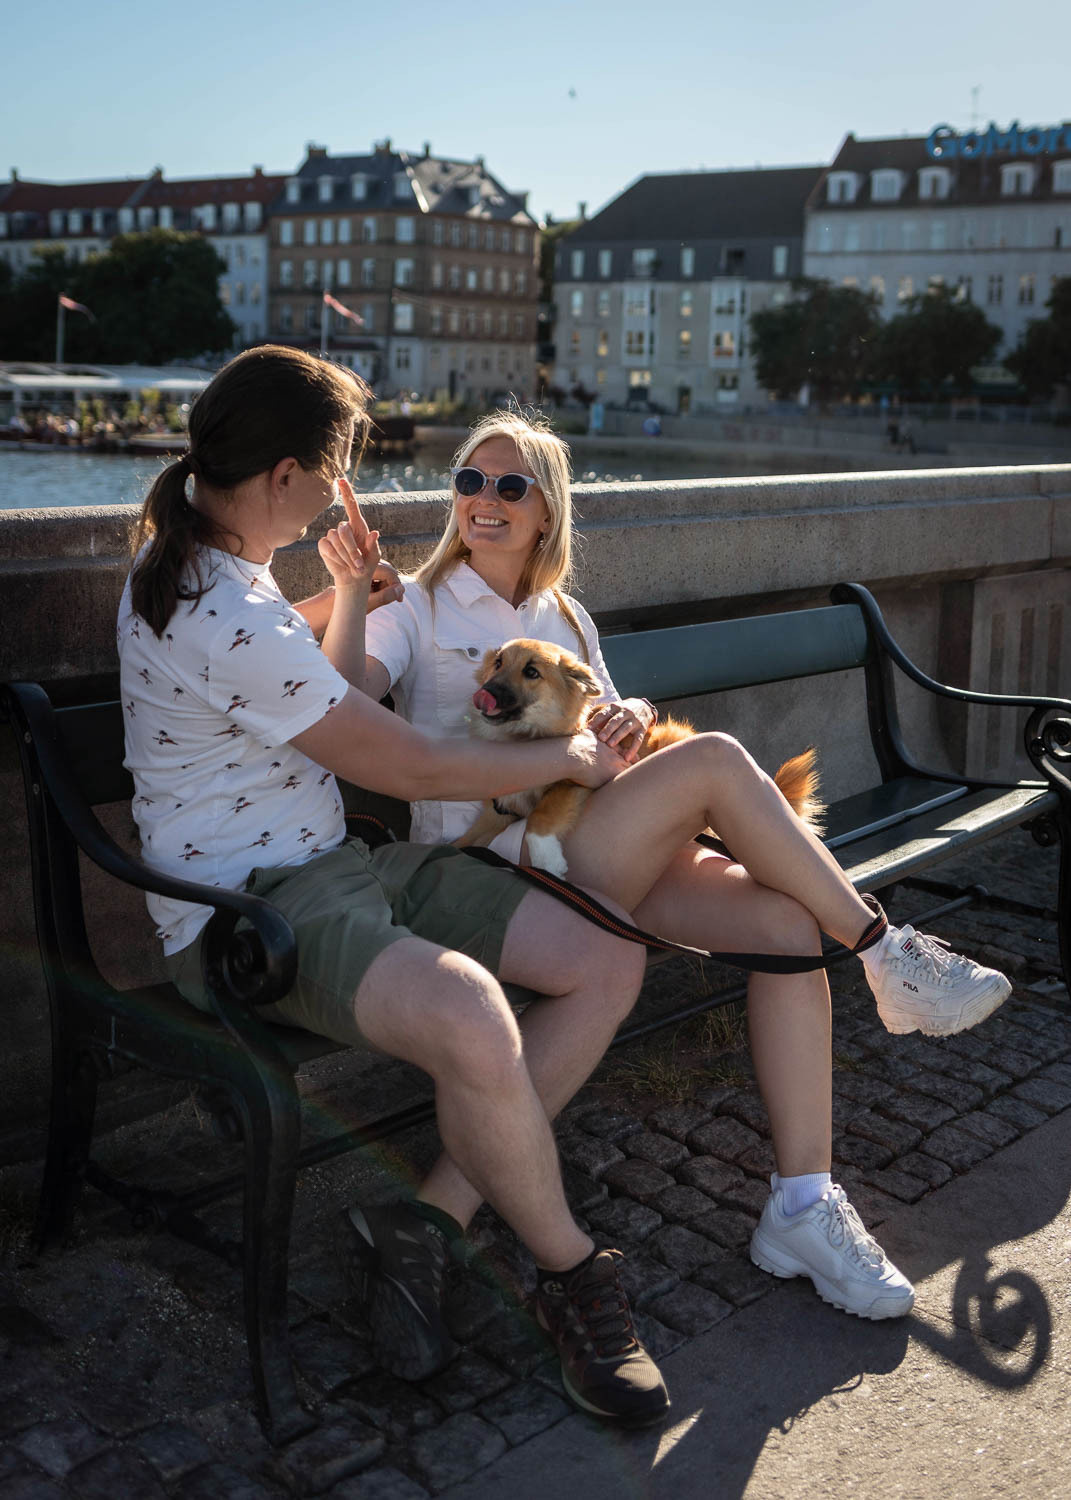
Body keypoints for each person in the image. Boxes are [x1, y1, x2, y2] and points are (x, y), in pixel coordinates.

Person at [348, 409, 1013, 1323]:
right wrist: (347, 596)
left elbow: (614, 744)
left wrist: (628, 716)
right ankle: (882, 950)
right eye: (468, 481)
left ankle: (802, 1206)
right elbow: (345, 691)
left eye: (508, 485)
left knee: (786, 927)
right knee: (715, 762)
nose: (483, 501)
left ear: (547, 511)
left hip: (595, 839)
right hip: (494, 862)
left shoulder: (566, 616)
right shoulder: (415, 605)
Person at [118, 348, 670, 1428]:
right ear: (285, 475)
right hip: (249, 913)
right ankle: (571, 1276)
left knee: (606, 955)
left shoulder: (206, 562)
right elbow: (404, 765)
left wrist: (339, 595)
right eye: (333, 474)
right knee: (471, 1010)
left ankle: (427, 1222)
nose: (338, 497)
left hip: (337, 866)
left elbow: (296, 676)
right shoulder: (221, 606)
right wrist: (564, 757)